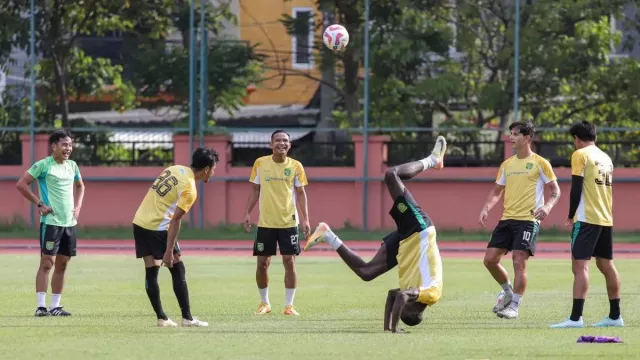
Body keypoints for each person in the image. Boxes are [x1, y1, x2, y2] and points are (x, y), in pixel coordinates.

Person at [304, 136, 447, 333]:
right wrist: (396, 329)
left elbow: (392, 295)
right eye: (404, 307)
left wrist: (388, 329)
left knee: (367, 272)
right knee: (391, 175)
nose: (402, 301)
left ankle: (327, 235)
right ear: (414, 310)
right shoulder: (431, 295)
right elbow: (401, 298)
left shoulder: (413, 294)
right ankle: (433, 160)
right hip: (420, 231)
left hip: (406, 244)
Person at [478, 121, 561, 320]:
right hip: (507, 219)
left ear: (527, 138)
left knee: (518, 260)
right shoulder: (507, 165)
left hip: (528, 220)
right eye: (511, 133)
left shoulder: (541, 163)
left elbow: (556, 192)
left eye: (515, 134)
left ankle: (514, 306)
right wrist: (486, 208)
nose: (511, 137)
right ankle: (507, 293)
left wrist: (547, 207)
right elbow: (497, 191)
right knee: (489, 260)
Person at [131, 147, 218, 327]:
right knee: (178, 269)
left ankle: (161, 318)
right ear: (207, 168)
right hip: (158, 227)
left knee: (151, 270)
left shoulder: (173, 169)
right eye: (214, 168)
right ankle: (187, 318)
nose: (214, 172)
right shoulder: (190, 189)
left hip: (139, 222)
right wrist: (169, 251)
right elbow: (175, 220)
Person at [551, 121, 623, 328]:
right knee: (606, 265)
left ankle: (575, 318)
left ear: (576, 139)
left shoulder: (580, 155)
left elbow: (576, 188)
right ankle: (615, 316)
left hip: (586, 218)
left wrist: (571, 214)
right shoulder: (605, 157)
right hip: (605, 218)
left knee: (580, 266)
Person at [16, 130, 84, 317]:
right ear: (54, 146)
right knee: (47, 263)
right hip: (51, 222)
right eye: (64, 144)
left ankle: (55, 306)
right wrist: (39, 203)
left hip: (69, 223)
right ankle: (40, 307)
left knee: (63, 264)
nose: (68, 148)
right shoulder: (44, 165)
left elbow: (80, 186)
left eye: (70, 145)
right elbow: (21, 184)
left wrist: (77, 207)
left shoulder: (72, 165)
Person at [244, 130, 310, 316]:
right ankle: (264, 303)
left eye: (285, 140)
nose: (282, 143)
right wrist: (248, 213)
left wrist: (305, 219)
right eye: (278, 140)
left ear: (289, 145)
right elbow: (255, 190)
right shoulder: (260, 163)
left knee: (289, 261)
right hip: (265, 223)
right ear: (271, 144)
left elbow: (301, 193)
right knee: (262, 263)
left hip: (289, 222)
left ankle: (289, 306)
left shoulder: (296, 166)